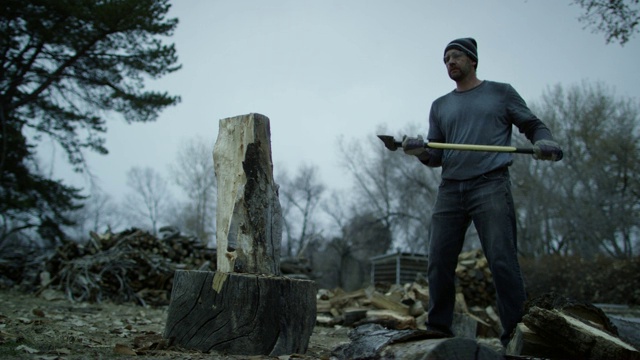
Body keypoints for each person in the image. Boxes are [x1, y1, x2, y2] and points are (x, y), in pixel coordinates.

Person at [402, 37, 563, 347]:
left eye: (456, 56)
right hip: (450, 189)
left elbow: (532, 125)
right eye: (446, 59)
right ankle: (437, 332)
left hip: (490, 184)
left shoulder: (500, 93)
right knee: (438, 261)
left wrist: (545, 140)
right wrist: (420, 151)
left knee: (502, 259)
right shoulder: (440, 105)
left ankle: (516, 335)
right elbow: (435, 156)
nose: (450, 62)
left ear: (472, 60)